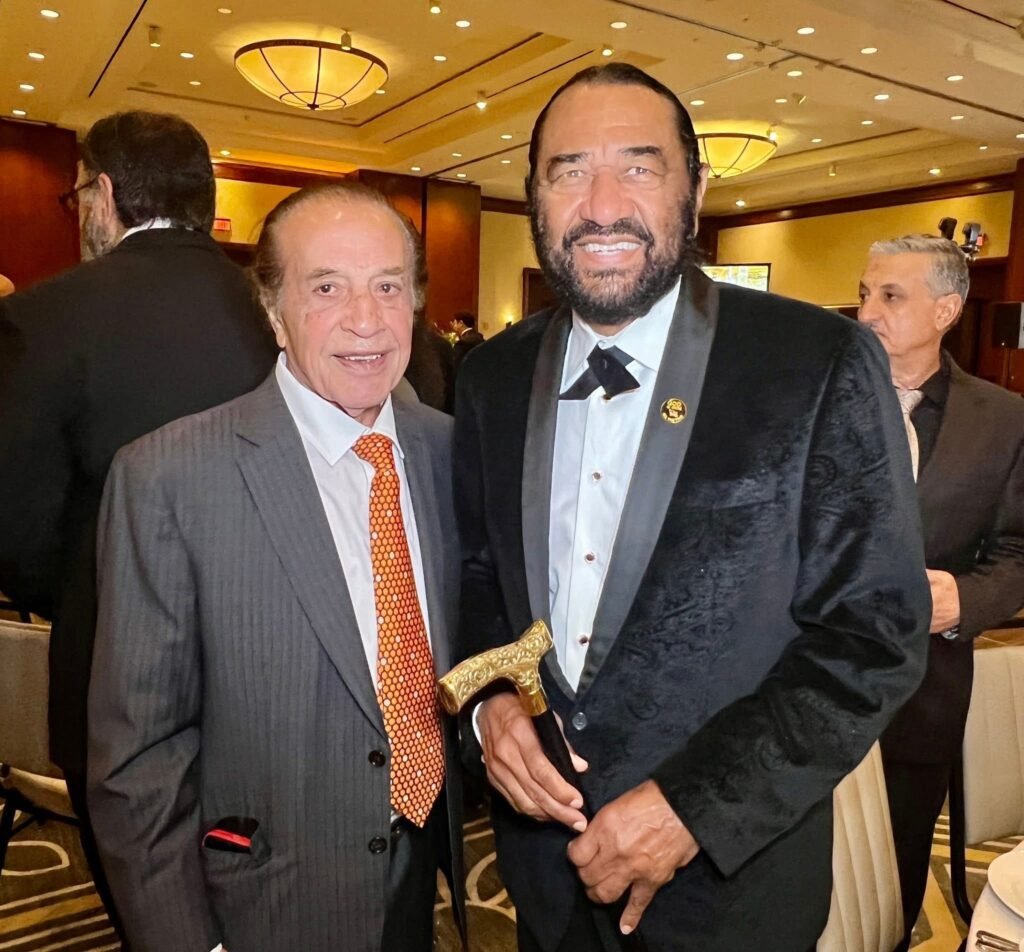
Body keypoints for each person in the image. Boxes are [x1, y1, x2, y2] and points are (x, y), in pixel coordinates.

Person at [453, 63, 931, 952]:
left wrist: (694, 806)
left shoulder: (817, 362)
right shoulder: (491, 376)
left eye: (639, 167)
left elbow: (875, 635)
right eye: (568, 172)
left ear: (697, 189)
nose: (602, 206)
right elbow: (478, 575)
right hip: (542, 881)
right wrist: (491, 704)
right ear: (534, 198)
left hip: (729, 896)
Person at [87, 182, 466, 952]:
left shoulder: (452, 451)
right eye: (326, 288)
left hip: (423, 870)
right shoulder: (170, 477)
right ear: (272, 310)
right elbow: (138, 762)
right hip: (265, 902)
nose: (365, 320)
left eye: (387, 286)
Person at [0, 110, 275, 935]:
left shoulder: (43, 317)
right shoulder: (279, 304)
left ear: (105, 192)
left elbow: (15, 529)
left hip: (113, 678)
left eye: (77, 196)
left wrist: (100, 592)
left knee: (150, 903)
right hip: (275, 671)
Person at [858, 235, 1024, 950]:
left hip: (921, 694)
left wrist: (966, 600)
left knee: (893, 880)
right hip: (791, 686)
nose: (868, 312)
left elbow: (1019, 552)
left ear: (947, 310)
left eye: (890, 296)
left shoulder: (1004, 420)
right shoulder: (814, 401)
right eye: (865, 293)